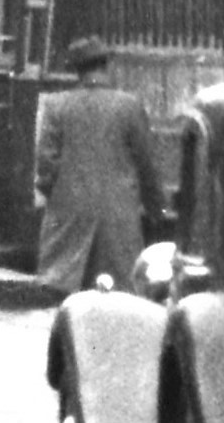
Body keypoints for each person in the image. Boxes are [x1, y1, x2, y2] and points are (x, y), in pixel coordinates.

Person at [33, 37, 166, 297]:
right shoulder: (129, 106)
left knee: (67, 300)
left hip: (68, 218)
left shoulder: (56, 106)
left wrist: (60, 197)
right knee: (120, 298)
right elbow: (147, 165)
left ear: (76, 70)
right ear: (106, 65)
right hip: (119, 221)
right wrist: (156, 210)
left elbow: (46, 167)